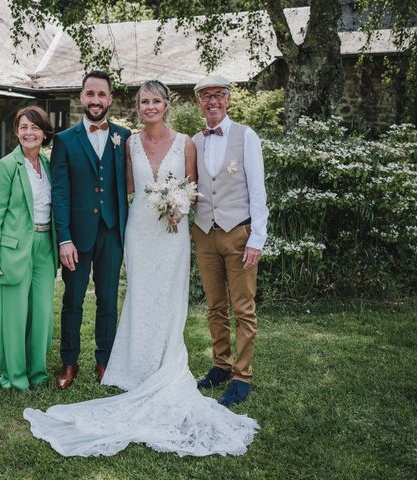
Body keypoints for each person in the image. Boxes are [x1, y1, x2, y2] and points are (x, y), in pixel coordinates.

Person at [23, 80, 258, 457]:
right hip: (138, 231)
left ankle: (165, 360)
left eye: (156, 101)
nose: (150, 106)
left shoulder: (187, 143)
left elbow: (194, 189)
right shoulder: (128, 143)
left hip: (173, 232)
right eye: (144, 101)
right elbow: (122, 186)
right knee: (137, 295)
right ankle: (123, 362)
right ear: (137, 106)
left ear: (167, 105)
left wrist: (177, 204)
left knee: (168, 296)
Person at [51, 70, 131, 390]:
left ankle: (105, 361)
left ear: (110, 99)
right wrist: (64, 237)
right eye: (90, 94)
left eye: (101, 95)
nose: (96, 100)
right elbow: (60, 192)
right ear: (81, 97)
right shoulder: (64, 140)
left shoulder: (124, 137)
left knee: (108, 300)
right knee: (72, 300)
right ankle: (69, 362)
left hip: (111, 232)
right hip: (77, 236)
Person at [191, 75, 268, 407]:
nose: (212, 101)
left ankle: (242, 375)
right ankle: (221, 365)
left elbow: (258, 189)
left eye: (218, 95)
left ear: (228, 100)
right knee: (214, 305)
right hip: (204, 232)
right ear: (198, 102)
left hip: (239, 232)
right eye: (205, 96)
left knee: (243, 307)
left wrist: (257, 239)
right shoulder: (194, 141)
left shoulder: (246, 136)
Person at [0, 106, 58, 392]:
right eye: (23, 127)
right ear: (16, 132)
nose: (29, 132)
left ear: (44, 133)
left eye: (35, 127)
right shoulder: (5, 167)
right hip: (13, 250)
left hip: (44, 248)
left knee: (40, 313)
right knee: (14, 315)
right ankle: (14, 377)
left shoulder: (49, 166)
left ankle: (37, 371)